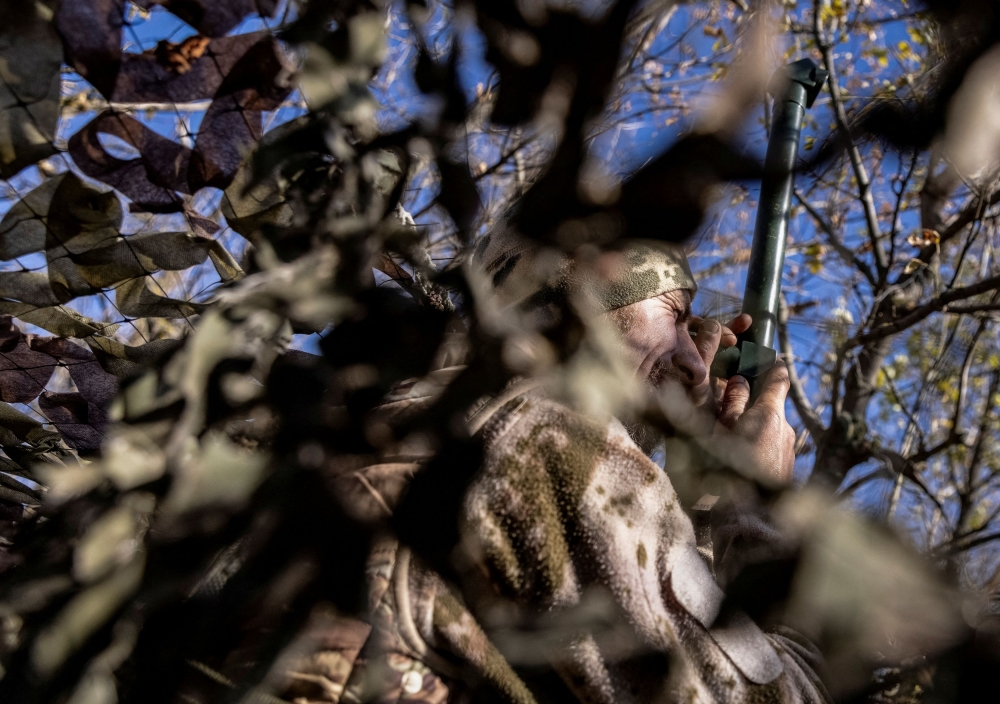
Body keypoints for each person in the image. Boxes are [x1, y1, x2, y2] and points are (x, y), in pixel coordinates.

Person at [280, 216, 830, 704]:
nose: (695, 363)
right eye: (675, 313)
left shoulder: (417, 420)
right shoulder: (540, 439)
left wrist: (707, 497)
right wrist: (756, 507)